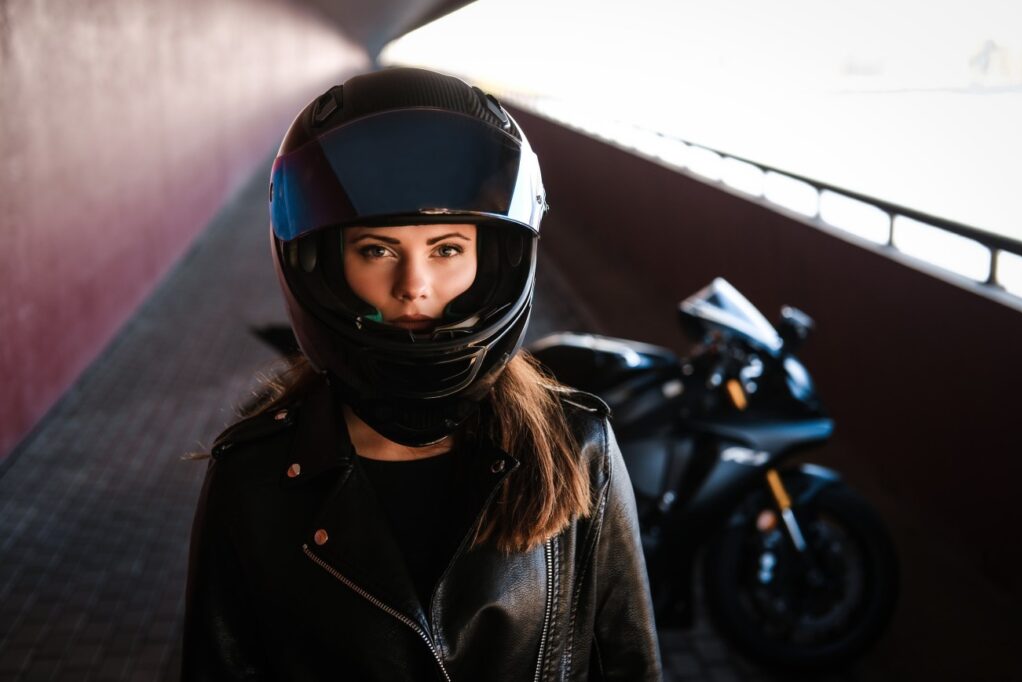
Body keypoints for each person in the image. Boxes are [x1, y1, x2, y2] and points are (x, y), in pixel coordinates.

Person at [182, 67, 662, 681]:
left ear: (493, 258)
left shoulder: (577, 446)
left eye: (447, 249)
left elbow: (629, 665)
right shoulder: (252, 477)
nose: (414, 287)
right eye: (377, 250)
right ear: (323, 263)